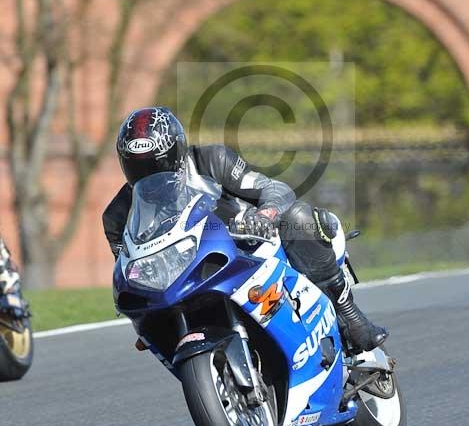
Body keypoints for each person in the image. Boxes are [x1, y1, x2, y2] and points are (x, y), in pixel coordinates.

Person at [102, 106, 388, 353]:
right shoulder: (117, 216)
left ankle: (349, 316)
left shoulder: (210, 160)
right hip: (186, 276)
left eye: (158, 162)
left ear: (177, 151)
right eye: (137, 166)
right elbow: (129, 268)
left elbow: (272, 188)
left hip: (246, 249)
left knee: (299, 217)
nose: (151, 173)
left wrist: (265, 214)